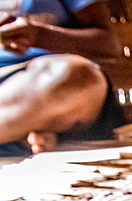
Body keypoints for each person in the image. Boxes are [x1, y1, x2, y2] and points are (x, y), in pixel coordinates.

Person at [0, 0, 123, 156]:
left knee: (79, 75)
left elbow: (108, 44)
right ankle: (27, 132)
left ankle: (21, 132)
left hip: (42, 81)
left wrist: (39, 36)